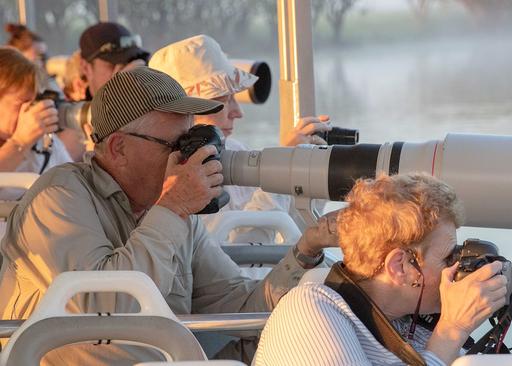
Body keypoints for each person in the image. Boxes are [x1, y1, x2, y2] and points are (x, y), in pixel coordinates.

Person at [0, 66, 337, 365]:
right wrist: (173, 207)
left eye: (191, 140)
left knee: (300, 335)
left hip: (170, 358)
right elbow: (107, 314)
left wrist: (306, 252)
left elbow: (241, 307)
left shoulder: (173, 212)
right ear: (118, 148)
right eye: (177, 144)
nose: (188, 156)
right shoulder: (59, 195)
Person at [254, 173, 512, 366]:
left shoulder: (407, 324)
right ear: (400, 265)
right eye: (448, 257)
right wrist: (452, 330)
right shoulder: (309, 311)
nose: (458, 269)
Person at [149, 34, 332, 241]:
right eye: (224, 101)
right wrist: (283, 167)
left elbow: (290, 233)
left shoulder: (235, 149)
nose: (238, 112)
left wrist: (310, 174)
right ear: (185, 112)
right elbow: (243, 252)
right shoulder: (171, 181)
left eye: (235, 98)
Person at [0, 47, 72, 200]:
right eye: (23, 102)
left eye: (33, 102)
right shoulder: (25, 138)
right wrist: (19, 142)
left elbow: (74, 183)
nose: (32, 112)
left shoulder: (44, 141)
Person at [79, 22, 149, 97]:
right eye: (114, 63)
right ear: (86, 68)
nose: (127, 70)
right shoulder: (74, 108)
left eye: (131, 61)